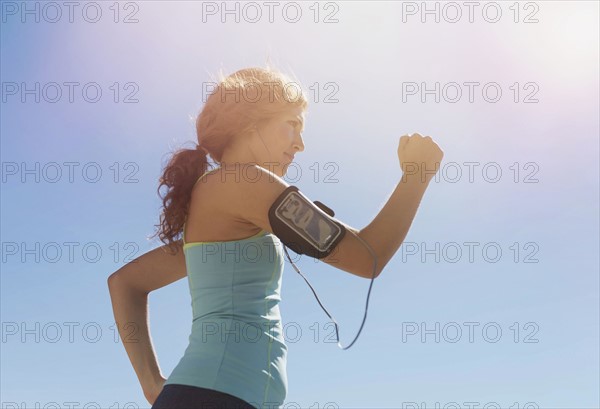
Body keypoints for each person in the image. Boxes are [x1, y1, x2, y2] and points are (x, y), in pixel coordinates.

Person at [107, 66, 444, 409]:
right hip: (212, 397)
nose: (300, 144)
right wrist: (416, 175)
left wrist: (152, 385)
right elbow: (367, 256)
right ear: (251, 122)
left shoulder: (214, 205)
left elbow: (126, 282)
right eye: (292, 125)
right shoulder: (244, 181)